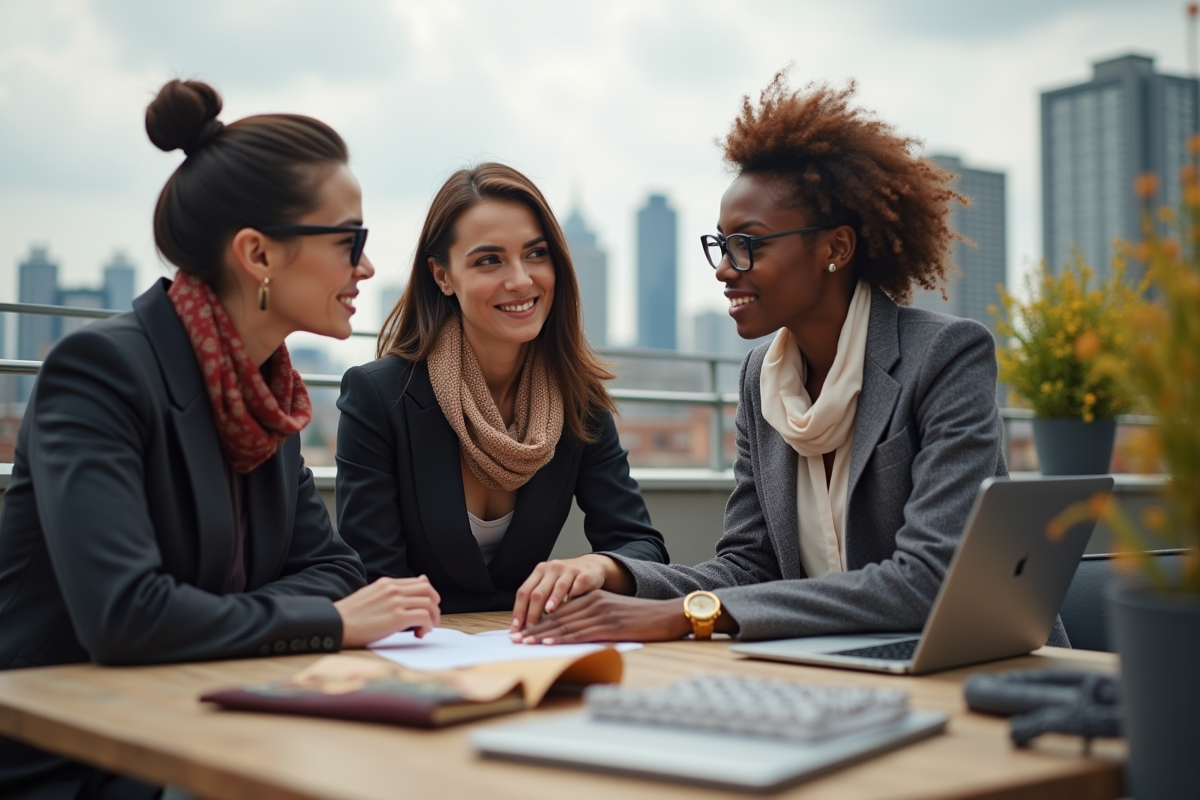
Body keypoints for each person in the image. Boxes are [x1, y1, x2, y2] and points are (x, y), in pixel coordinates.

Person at [513, 76, 1071, 647]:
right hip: (842, 664)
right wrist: (613, 572)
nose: (723, 269)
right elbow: (747, 567)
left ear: (835, 248)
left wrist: (686, 615)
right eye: (721, 244)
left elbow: (930, 579)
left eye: (748, 244)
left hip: (982, 668)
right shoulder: (762, 379)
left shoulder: (945, 357)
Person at [0, 80, 441, 800]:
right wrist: (328, 623)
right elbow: (126, 616)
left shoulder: (266, 395)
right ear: (257, 254)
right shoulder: (101, 372)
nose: (365, 267)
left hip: (202, 719)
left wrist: (209, 615)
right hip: (72, 757)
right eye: (349, 241)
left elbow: (333, 567)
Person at [335, 162, 668, 615]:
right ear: (442, 276)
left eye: (536, 254)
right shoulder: (379, 397)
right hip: (417, 644)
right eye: (488, 260)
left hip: (528, 640)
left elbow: (643, 548)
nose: (521, 280)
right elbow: (374, 577)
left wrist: (597, 566)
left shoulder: (577, 400)